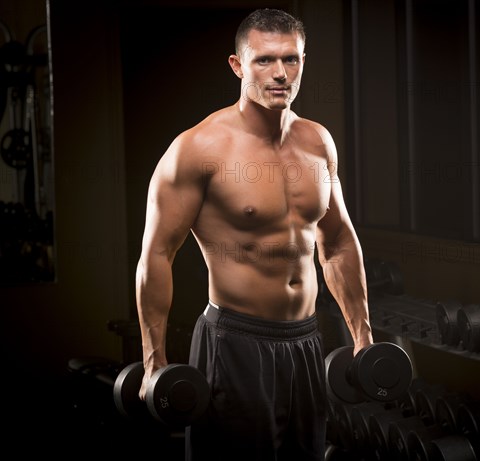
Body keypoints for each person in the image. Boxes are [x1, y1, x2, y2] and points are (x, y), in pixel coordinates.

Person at [135, 7, 373, 460]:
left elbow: (338, 241)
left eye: (292, 59)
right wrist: (153, 363)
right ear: (237, 65)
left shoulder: (318, 142)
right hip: (236, 342)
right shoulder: (198, 148)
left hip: (306, 340)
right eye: (264, 60)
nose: (280, 73)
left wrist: (362, 337)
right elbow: (157, 255)